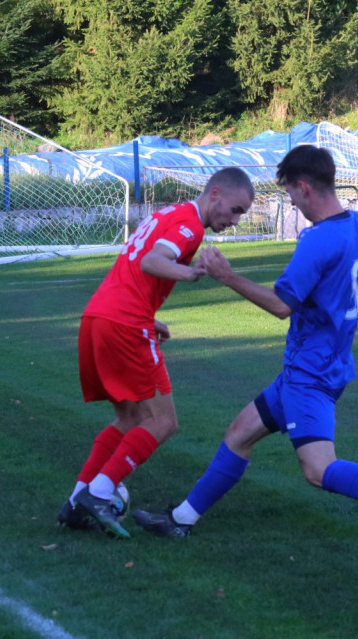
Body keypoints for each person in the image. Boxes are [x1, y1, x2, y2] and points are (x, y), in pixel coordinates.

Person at [133, 144, 358, 542]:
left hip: (309, 373)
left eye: (291, 195)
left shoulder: (316, 241)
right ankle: (181, 519)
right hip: (329, 363)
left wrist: (227, 276)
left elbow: (281, 306)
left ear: (304, 187)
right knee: (239, 434)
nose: (293, 203)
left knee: (317, 469)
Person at [58, 168, 254, 537]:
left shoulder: (169, 213)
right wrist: (194, 272)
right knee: (163, 422)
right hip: (125, 323)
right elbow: (151, 261)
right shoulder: (190, 227)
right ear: (215, 194)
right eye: (235, 209)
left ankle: (76, 501)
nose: (235, 219)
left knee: (130, 419)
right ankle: (99, 493)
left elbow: (136, 268)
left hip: (99, 316)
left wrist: (151, 317)